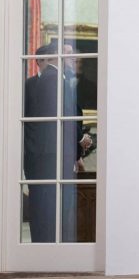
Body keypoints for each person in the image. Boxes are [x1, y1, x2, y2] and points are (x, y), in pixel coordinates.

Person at [23, 40, 92, 242]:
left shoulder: (55, 78)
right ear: (55, 56)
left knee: (54, 206)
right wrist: (78, 141)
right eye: (67, 54)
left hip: (54, 153)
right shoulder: (52, 80)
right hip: (50, 155)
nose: (72, 59)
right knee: (50, 206)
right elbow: (57, 121)